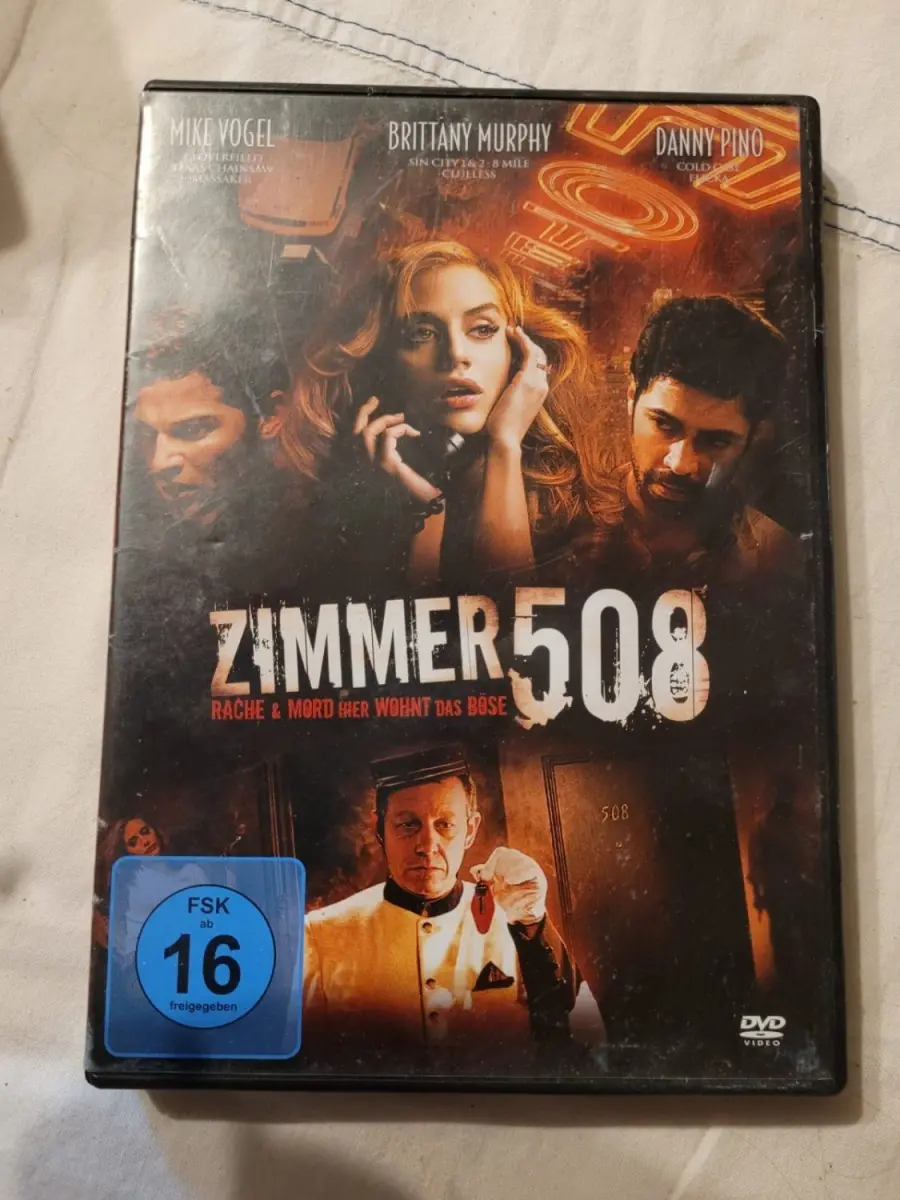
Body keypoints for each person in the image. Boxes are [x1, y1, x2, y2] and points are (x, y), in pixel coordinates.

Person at [279, 240, 612, 592]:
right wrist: (421, 514)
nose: (455, 354)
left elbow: (512, 620)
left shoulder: (569, 498)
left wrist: (505, 445)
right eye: (422, 333)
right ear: (382, 362)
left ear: (518, 353)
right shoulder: (330, 508)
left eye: (482, 329)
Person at [302, 746, 605, 1065]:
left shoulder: (517, 918)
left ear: (470, 829)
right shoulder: (319, 934)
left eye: (445, 824)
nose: (427, 846)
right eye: (408, 825)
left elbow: (587, 1043)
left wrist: (533, 924)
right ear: (380, 829)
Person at [572, 295, 800, 589]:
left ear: (752, 438)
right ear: (631, 398)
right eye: (664, 425)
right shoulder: (563, 528)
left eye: (716, 441)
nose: (680, 464)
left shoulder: (778, 561)